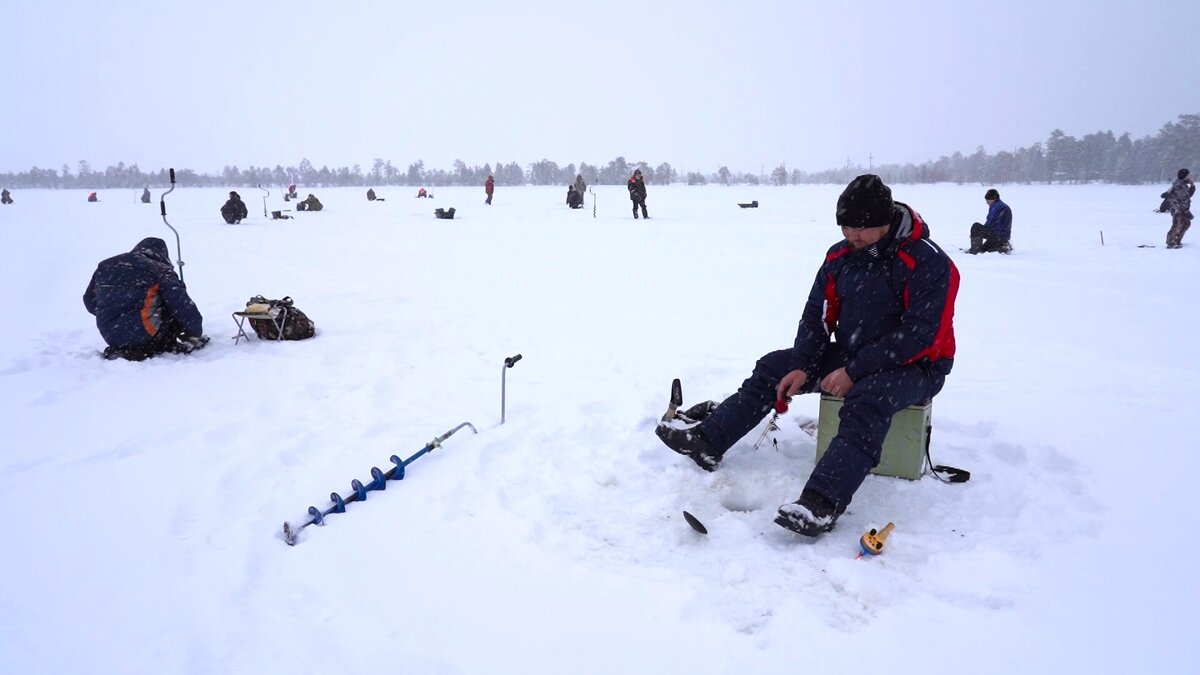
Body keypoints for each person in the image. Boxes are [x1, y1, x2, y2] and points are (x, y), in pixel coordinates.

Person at [654, 174, 959, 537]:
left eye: (862, 229)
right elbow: (816, 314)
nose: (852, 236)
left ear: (887, 221)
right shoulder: (840, 256)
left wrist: (853, 369)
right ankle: (708, 441)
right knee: (774, 367)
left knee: (868, 399)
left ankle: (821, 502)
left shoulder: (928, 262)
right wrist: (803, 365)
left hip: (918, 365)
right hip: (852, 352)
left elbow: (920, 335)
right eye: (846, 227)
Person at [83, 237, 206, 361]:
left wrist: (114, 313)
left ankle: (126, 344)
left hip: (109, 335)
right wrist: (195, 331)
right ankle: (157, 344)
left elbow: (89, 301)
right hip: (146, 334)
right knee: (168, 304)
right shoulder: (161, 270)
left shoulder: (105, 266)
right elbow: (181, 304)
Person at [967, 188, 1012, 254]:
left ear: (992, 198)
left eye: (987, 200)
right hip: (1002, 236)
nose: (986, 202)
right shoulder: (1001, 205)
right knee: (983, 249)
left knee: (976, 227)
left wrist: (975, 234)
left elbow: (991, 224)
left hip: (998, 235)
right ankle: (1001, 246)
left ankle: (974, 251)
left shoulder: (998, 207)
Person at [1159, 168, 1195, 249]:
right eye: (1188, 175)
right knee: (1177, 224)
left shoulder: (1183, 185)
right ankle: (1171, 241)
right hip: (1177, 208)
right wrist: (1185, 210)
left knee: (1186, 223)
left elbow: (1188, 195)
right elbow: (1182, 198)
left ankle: (1177, 240)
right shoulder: (1179, 185)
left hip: (1182, 208)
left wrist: (1192, 186)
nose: (1190, 177)